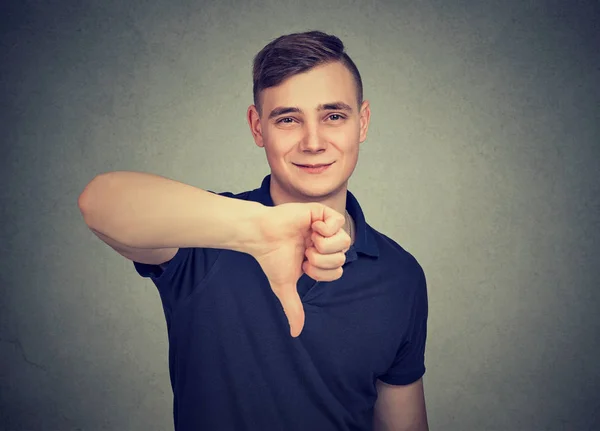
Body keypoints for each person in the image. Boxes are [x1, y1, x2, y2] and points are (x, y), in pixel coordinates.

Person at [78, 30, 429, 431]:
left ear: (361, 122)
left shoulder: (401, 275)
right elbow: (98, 202)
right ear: (257, 126)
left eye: (333, 116)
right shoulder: (203, 235)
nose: (313, 142)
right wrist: (256, 228)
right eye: (288, 119)